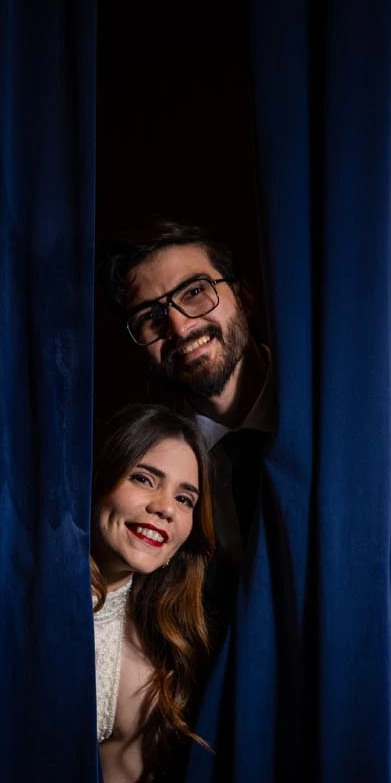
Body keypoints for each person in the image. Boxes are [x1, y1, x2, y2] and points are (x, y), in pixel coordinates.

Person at [91, 404, 215, 783]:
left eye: (186, 496)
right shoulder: (9, 593)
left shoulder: (152, 661)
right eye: (145, 477)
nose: (167, 506)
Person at [102, 222, 275, 567]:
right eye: (152, 316)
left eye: (195, 292)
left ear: (245, 298)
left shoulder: (329, 409)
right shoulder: (148, 462)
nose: (180, 327)